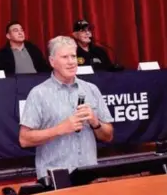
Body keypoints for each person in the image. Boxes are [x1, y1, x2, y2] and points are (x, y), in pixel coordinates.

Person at [19, 35, 114, 179]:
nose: (71, 62)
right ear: (52, 61)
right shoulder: (38, 93)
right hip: (55, 177)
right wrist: (59, 129)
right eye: (64, 57)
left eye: (73, 56)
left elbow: (108, 136)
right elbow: (24, 139)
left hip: (89, 173)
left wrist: (95, 122)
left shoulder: (91, 89)